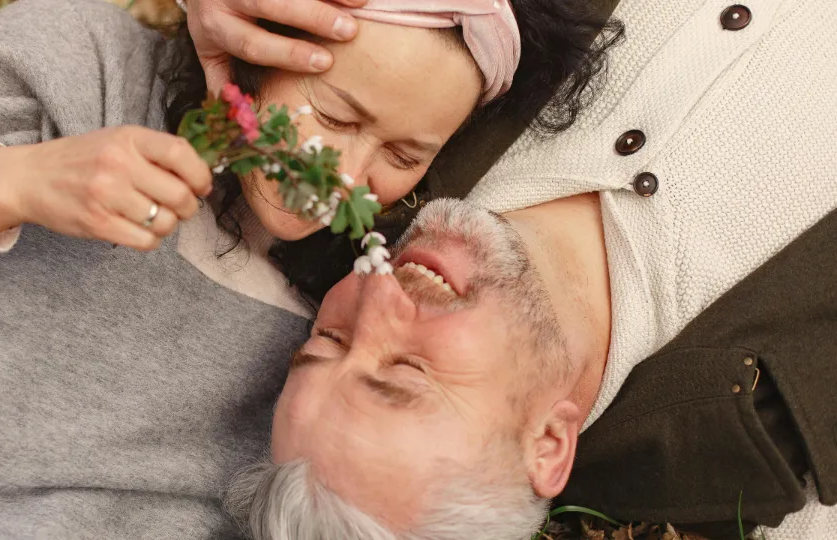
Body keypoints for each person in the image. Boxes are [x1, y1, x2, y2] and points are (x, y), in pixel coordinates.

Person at [0, 0, 619, 537]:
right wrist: (11, 186)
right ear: (252, 40)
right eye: (331, 112)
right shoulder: (75, 67)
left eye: (401, 152)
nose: (346, 179)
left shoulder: (332, 335)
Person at [219, 0, 837, 537]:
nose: (378, 294)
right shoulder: (779, 432)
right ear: (546, 444)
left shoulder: (368, 146)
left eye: (328, 339)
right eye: (406, 370)